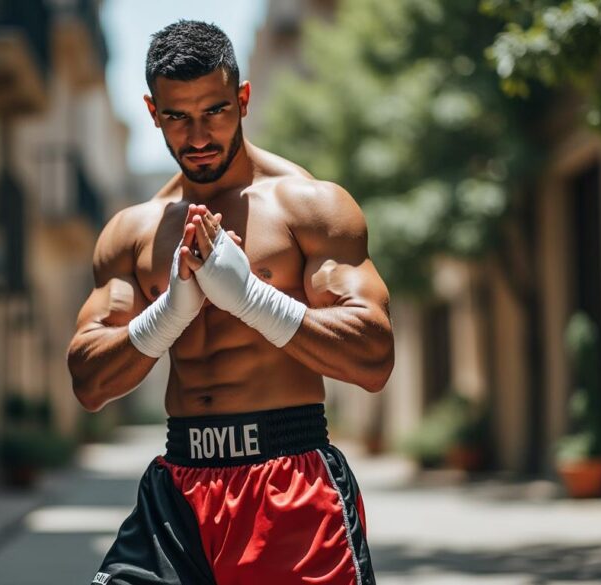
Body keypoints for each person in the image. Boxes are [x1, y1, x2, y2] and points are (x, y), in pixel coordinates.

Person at [67, 20, 394, 585]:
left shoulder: (309, 206)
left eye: (215, 111)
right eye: (177, 117)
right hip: (179, 486)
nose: (197, 137)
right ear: (152, 113)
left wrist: (252, 299)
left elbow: (373, 358)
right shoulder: (133, 232)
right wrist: (169, 312)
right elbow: (89, 381)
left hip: (288, 484)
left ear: (242, 100)